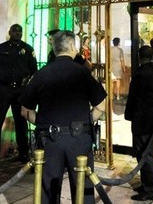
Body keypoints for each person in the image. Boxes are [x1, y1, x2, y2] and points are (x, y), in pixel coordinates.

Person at [19, 30, 107, 204]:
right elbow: (101, 106)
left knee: (48, 188)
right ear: (72, 46)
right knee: (83, 188)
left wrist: (44, 123)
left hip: (49, 139)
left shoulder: (41, 74)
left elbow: (25, 111)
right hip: (79, 138)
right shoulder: (82, 73)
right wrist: (87, 121)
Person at [0, 23, 38, 167]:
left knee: (21, 124)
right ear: (10, 32)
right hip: (2, 90)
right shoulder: (0, 49)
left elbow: (34, 70)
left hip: (20, 90)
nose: (17, 33)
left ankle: (23, 154)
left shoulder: (27, 49)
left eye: (20, 31)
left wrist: (28, 81)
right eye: (15, 31)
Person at [124, 46, 153, 201]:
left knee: (144, 154)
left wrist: (128, 114)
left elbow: (133, 97)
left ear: (139, 58)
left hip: (142, 118)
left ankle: (149, 189)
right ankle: (148, 183)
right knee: (148, 152)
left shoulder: (140, 74)